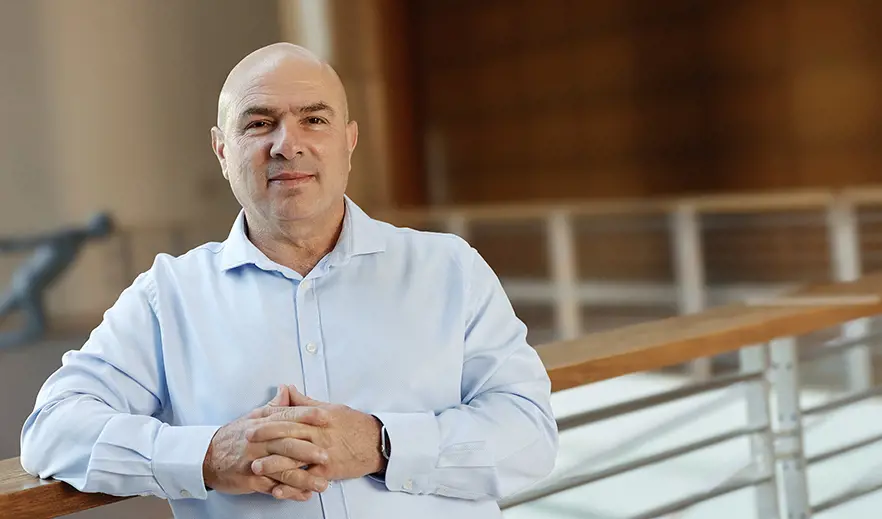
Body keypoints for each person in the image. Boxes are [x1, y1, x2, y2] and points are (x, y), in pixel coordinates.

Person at [19, 43, 558, 518]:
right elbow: (53, 429)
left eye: (314, 119)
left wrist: (381, 444)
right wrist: (208, 456)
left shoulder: (449, 269)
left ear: (349, 141)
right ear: (222, 151)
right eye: (259, 123)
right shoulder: (168, 296)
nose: (287, 144)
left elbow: (530, 434)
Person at [0, 212, 113, 349]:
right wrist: (9, 245)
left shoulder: (76, 240)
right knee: (36, 331)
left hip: (25, 282)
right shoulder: (70, 237)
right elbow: (36, 240)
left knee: (13, 315)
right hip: (29, 286)